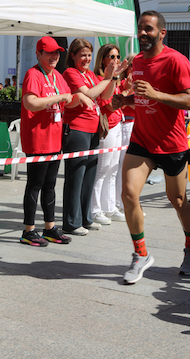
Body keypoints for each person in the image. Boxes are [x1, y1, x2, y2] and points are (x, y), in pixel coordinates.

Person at [111, 10, 190, 284]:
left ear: (162, 33)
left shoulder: (176, 61)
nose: (142, 33)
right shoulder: (136, 61)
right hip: (142, 140)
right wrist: (124, 102)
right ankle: (140, 254)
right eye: (140, 28)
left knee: (178, 200)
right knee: (128, 194)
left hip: (171, 143)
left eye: (148, 29)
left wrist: (156, 94)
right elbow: (140, 99)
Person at [62, 38, 126, 236]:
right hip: (77, 129)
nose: (87, 59)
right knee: (76, 176)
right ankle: (72, 222)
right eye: (82, 55)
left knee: (89, 174)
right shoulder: (70, 73)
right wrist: (108, 78)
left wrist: (113, 78)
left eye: (89, 55)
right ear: (72, 56)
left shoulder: (89, 74)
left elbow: (105, 96)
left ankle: (86, 217)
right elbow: (89, 94)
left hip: (93, 129)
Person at [19, 36, 79, 246]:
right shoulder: (33, 74)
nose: (54, 56)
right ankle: (28, 231)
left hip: (55, 138)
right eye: (50, 52)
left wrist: (83, 98)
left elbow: (68, 99)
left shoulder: (57, 76)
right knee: (35, 184)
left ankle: (50, 228)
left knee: (50, 185)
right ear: (39, 54)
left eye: (57, 53)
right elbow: (30, 103)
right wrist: (59, 98)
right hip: (38, 139)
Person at [91, 43, 126, 225]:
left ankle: (109, 207)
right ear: (103, 59)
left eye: (117, 56)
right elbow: (109, 103)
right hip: (108, 126)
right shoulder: (100, 78)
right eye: (111, 57)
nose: (115, 60)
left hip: (117, 124)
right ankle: (96, 209)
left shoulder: (114, 80)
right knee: (103, 169)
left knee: (113, 169)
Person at [114, 53, 136, 217]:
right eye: (134, 65)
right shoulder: (121, 83)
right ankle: (119, 202)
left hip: (137, 126)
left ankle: (129, 202)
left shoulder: (140, 85)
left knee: (133, 168)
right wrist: (129, 90)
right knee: (122, 166)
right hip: (125, 125)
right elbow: (117, 104)